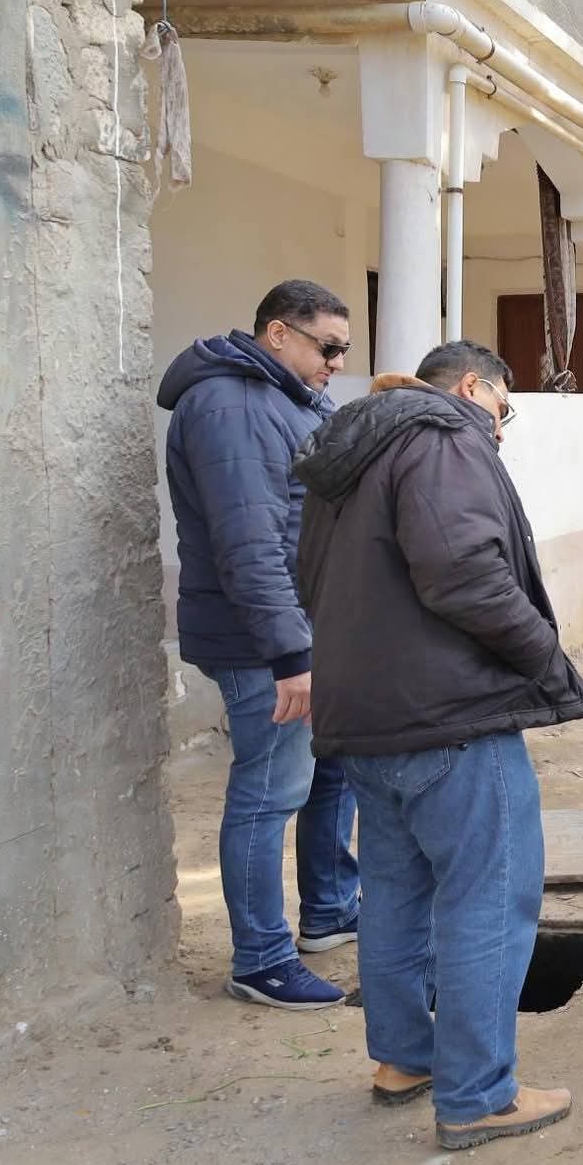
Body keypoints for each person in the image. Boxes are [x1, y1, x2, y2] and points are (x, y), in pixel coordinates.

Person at [295, 341, 583, 1151]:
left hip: (367, 716)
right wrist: (546, 657)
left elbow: (307, 577)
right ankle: (478, 1095)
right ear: (472, 386)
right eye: (504, 407)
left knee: (396, 893)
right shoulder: (444, 435)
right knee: (488, 898)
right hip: (451, 716)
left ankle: (405, 1059)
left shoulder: (355, 445)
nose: (501, 426)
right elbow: (464, 574)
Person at [157, 278, 361, 1010]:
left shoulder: (283, 397)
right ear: (278, 334)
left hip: (304, 627)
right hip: (262, 641)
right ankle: (261, 959)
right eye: (328, 347)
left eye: (343, 349)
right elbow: (249, 544)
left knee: (330, 771)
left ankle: (329, 909)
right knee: (270, 791)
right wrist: (290, 656)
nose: (338, 363)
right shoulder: (232, 406)